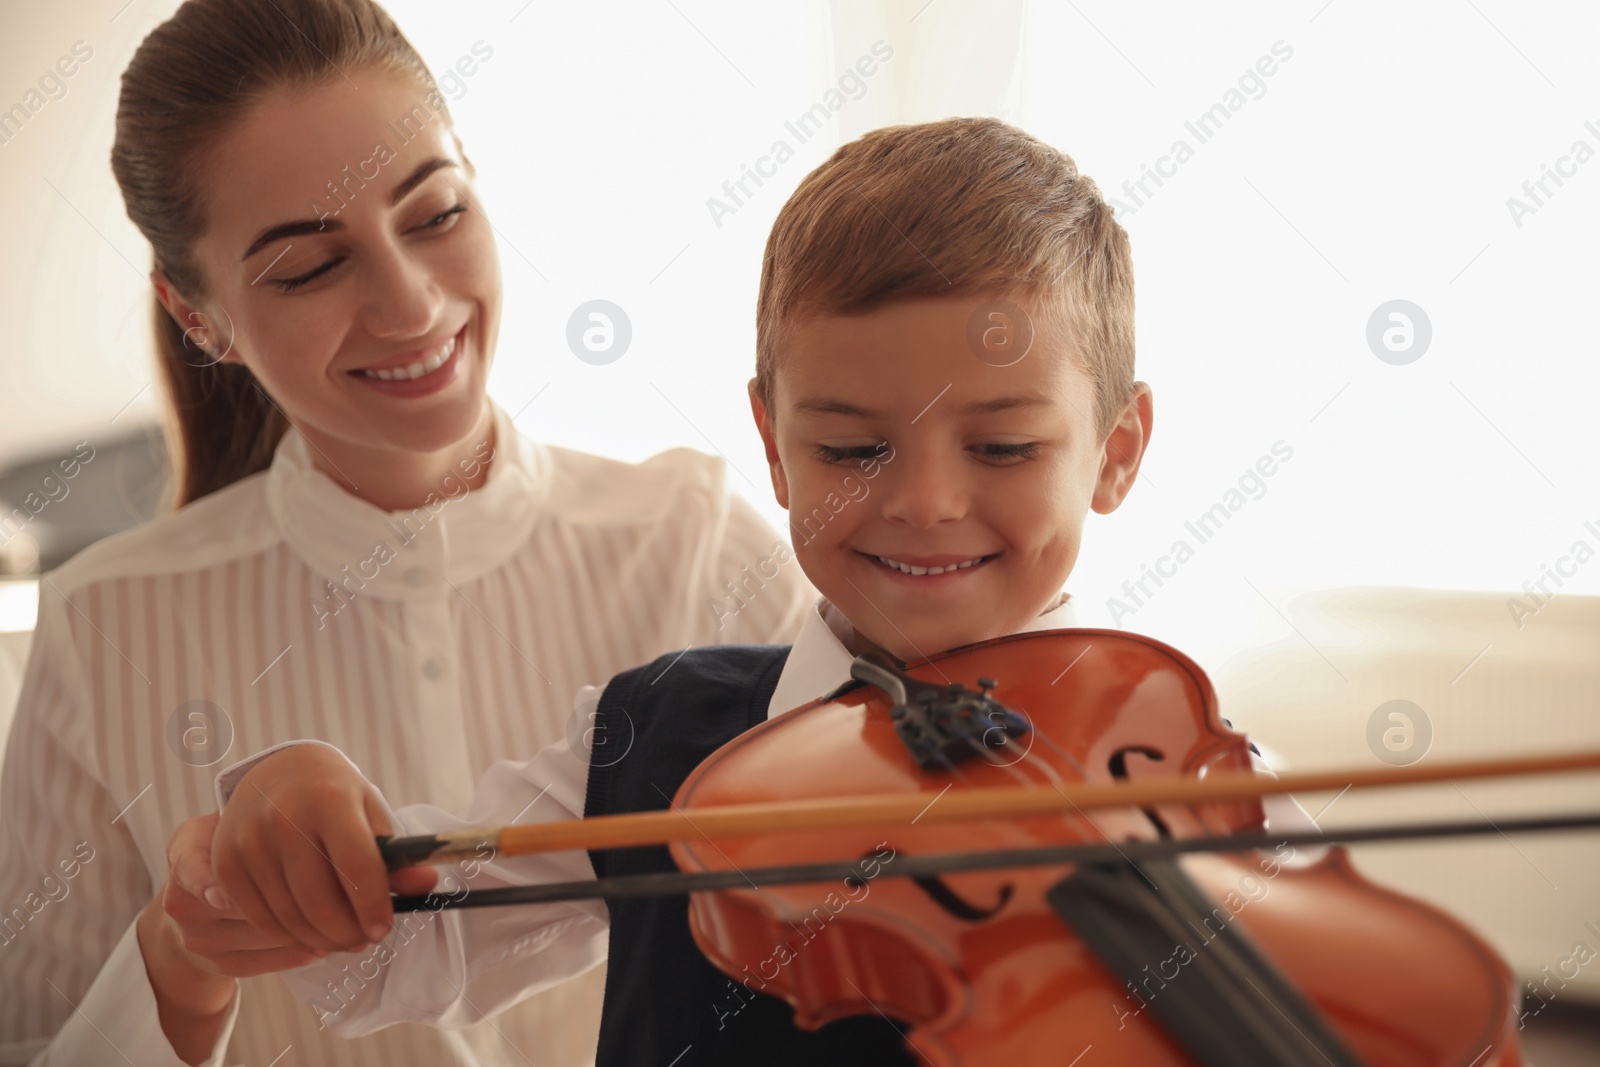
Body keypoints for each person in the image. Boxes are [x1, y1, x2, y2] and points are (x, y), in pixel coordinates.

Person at [181, 116, 1318, 1064]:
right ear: (773, 446)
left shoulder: (1203, 786)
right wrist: (295, 803)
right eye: (853, 451)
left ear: (1115, 451)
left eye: (1005, 449)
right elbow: (392, 954)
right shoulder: (650, 739)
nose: (923, 503)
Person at [0, 1, 814, 1065]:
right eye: (307, 267)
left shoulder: (700, 541)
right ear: (198, 315)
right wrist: (179, 956)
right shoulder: (101, 626)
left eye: (432, 213)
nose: (411, 303)